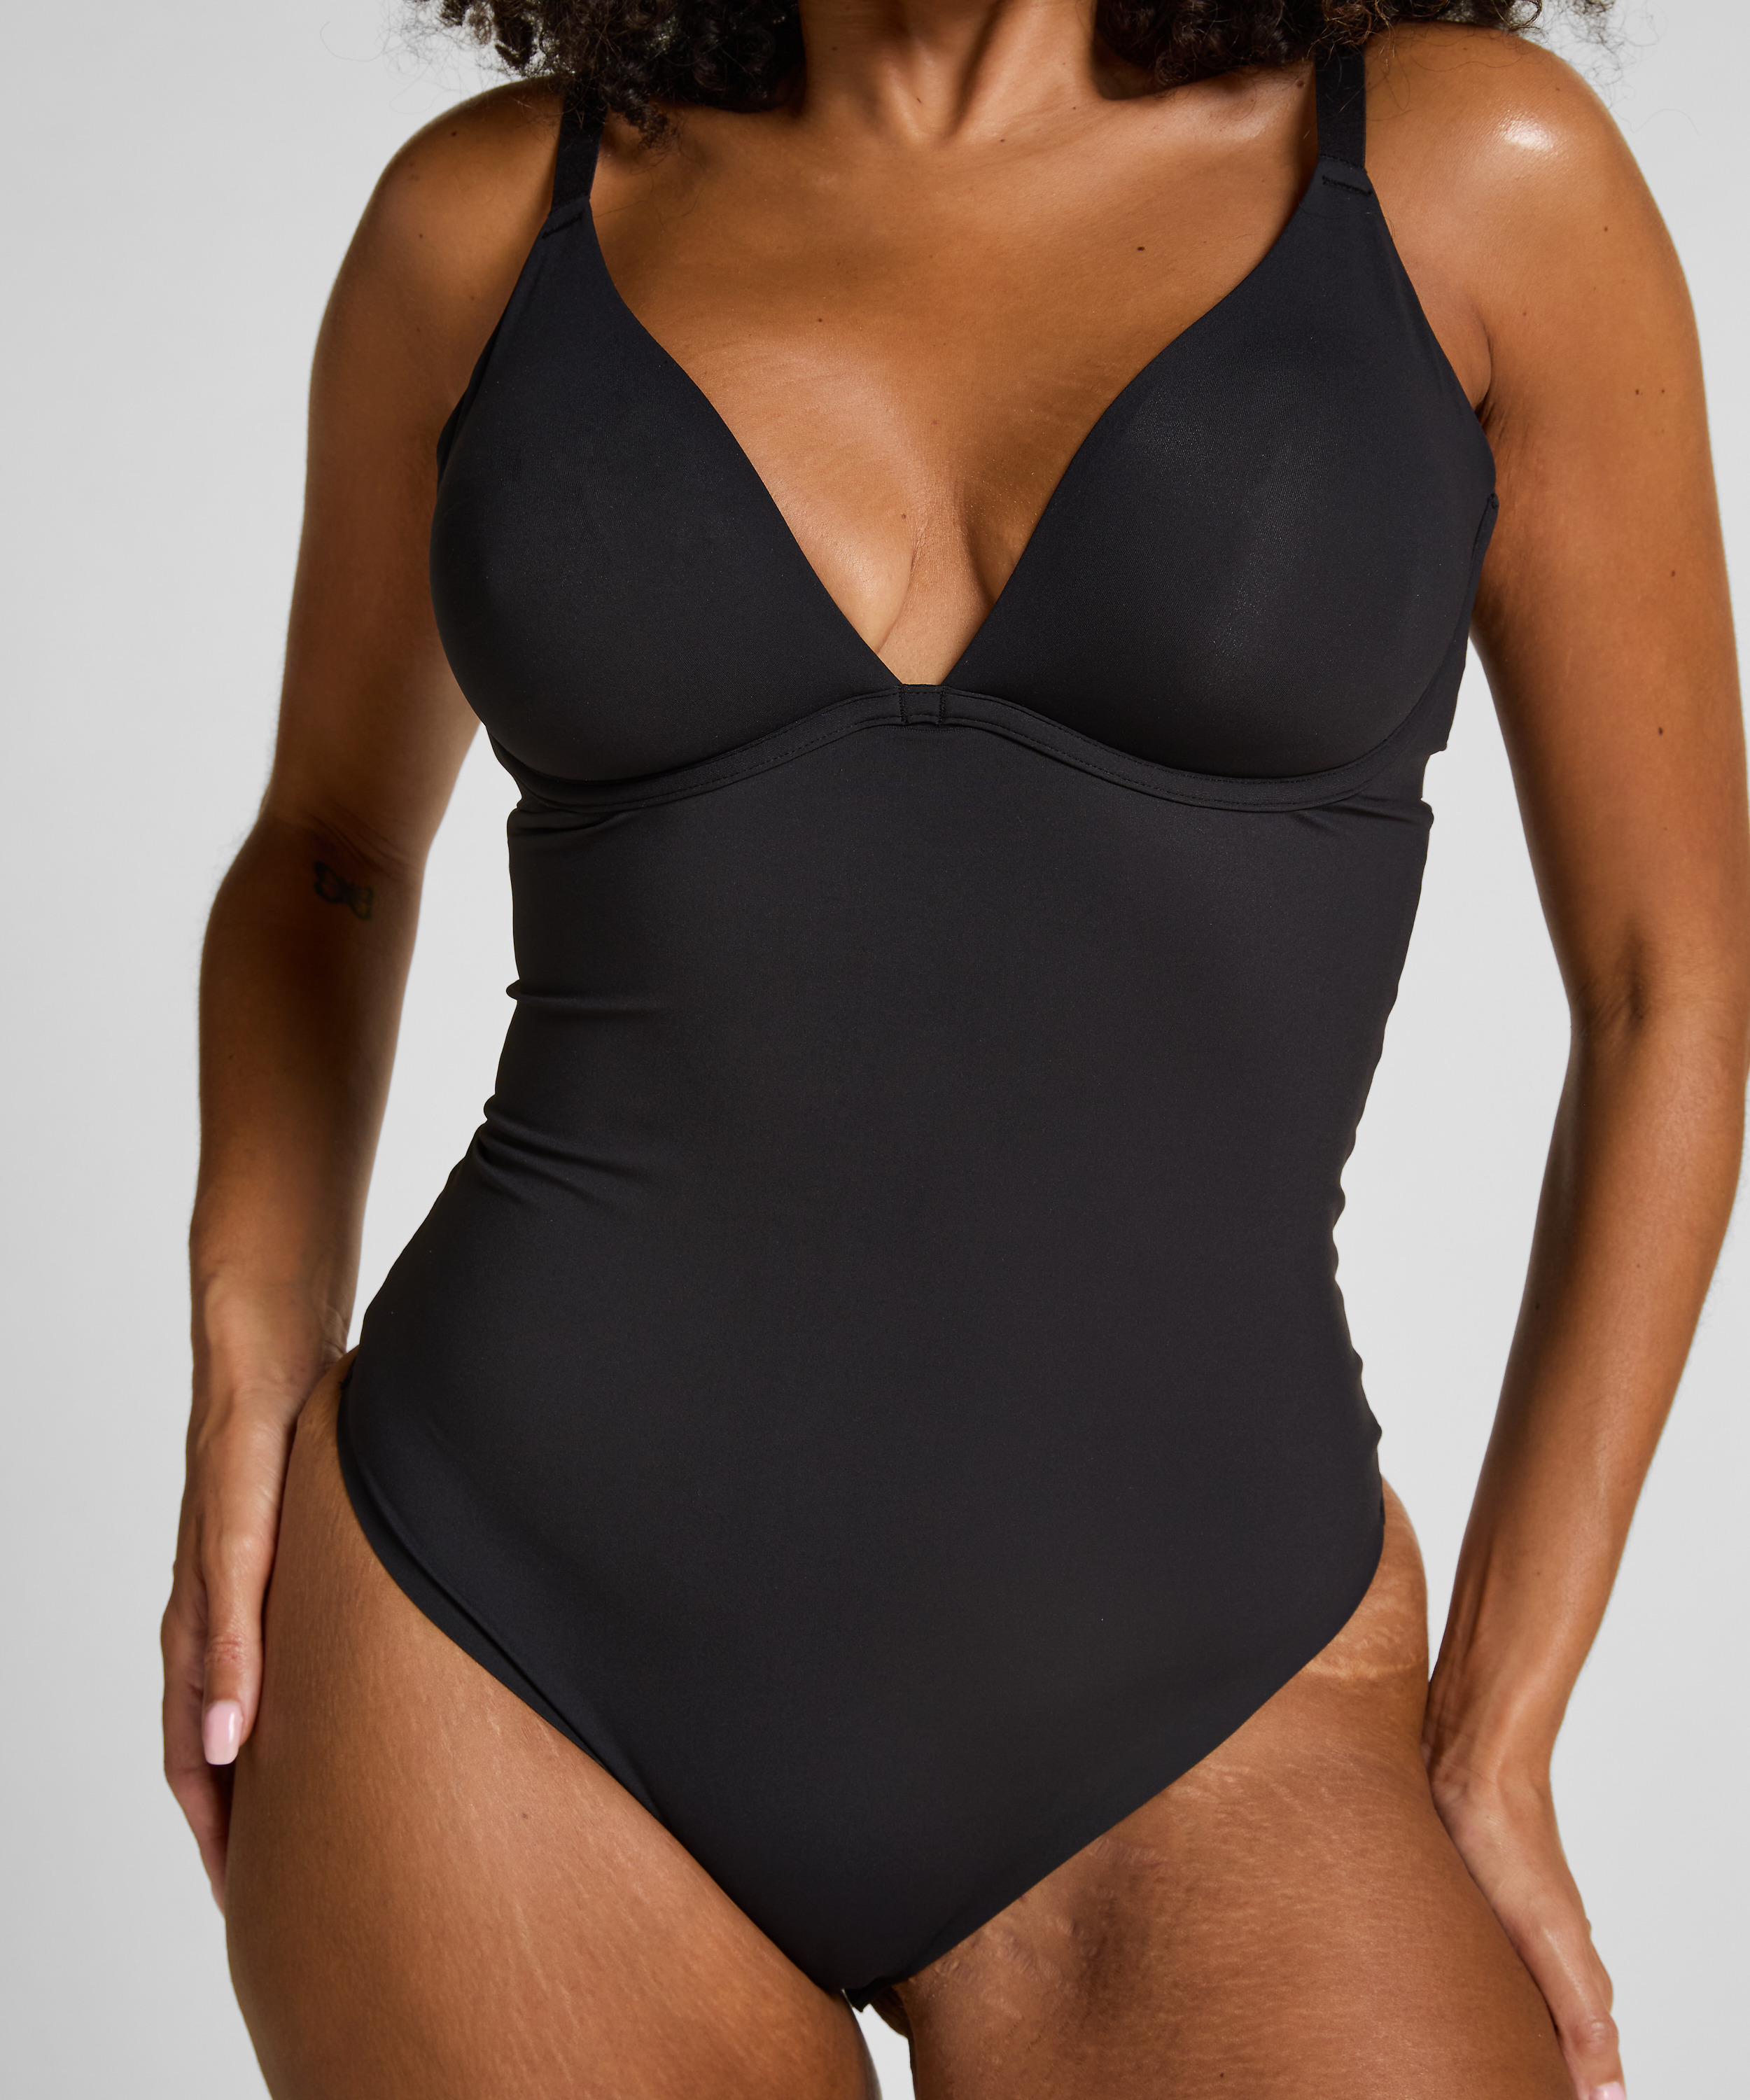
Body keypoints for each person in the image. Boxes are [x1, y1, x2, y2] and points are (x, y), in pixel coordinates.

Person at [162, 1, 1749, 2093]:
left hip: (1214, 1678)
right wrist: (248, 1365)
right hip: (502, 1635)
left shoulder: (1467, 177)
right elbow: (328, 850)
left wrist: (1504, 1725)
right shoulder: (489, 221)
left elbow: (1665, 979)